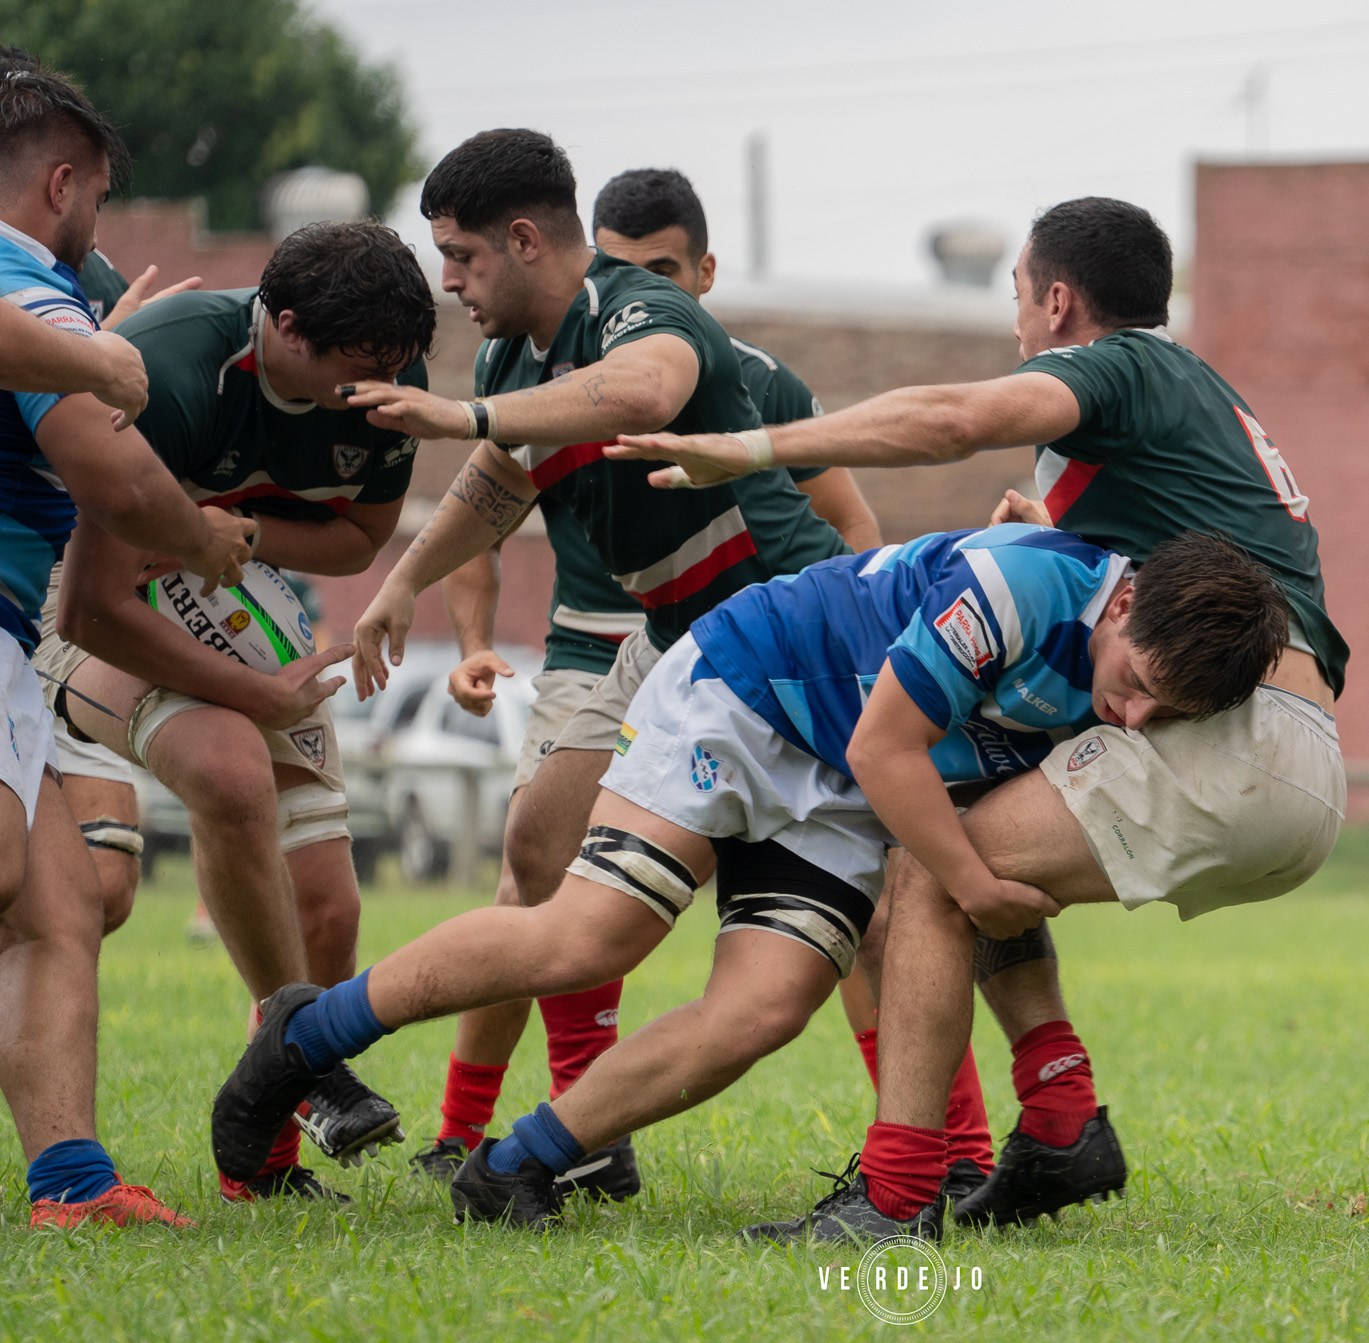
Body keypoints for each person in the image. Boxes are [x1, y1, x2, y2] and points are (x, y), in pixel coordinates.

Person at [610, 194, 1349, 1240]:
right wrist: (1057, 534)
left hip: (1236, 733)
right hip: (1289, 755)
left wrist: (754, 447)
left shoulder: (1120, 367)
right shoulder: (1198, 397)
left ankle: (898, 1196)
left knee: (931, 867)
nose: (1017, 323)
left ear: (1056, 300)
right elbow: (1174, 574)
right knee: (969, 814)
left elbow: (954, 420)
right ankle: (1058, 1119)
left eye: (1017, 296)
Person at [211, 523, 1290, 1230]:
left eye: (1165, 714)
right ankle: (302, 1037)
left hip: (836, 789)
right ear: (1123, 601)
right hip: (745, 691)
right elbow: (886, 748)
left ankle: (518, 1166)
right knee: (591, 935)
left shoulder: (1141, 659)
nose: (1133, 716)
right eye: (1137, 682)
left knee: (764, 1009)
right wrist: (977, 882)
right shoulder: (1020, 587)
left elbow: (882, 778)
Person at [299, 126, 853, 1183]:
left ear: (520, 240)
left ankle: (947, 1147)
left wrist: (461, 412)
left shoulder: (645, 309)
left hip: (785, 631)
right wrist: (406, 581)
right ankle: (583, 1135)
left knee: (863, 909)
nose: (450, 281)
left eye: (459, 256)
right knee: (540, 844)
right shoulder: (516, 357)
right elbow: (503, 481)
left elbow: (639, 395)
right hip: (672, 638)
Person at [39, 220, 438, 1203]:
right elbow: (92, 602)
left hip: (234, 597)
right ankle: (309, 1063)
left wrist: (244, 533)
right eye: (354, 370)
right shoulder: (170, 366)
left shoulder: (384, 369)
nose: (372, 391)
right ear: (286, 329)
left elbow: (358, 539)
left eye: (389, 367)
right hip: (67, 602)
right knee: (223, 764)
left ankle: (260, 1163)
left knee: (330, 905)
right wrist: (256, 690)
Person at [0, 64, 254, 1228]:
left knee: (58, 908)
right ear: (64, 184)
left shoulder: (43, 297)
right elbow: (109, 469)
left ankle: (69, 1182)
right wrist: (197, 535)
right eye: (94, 199)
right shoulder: (29, 281)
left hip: (8, 638)